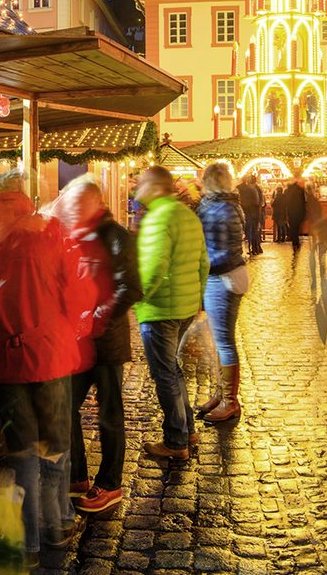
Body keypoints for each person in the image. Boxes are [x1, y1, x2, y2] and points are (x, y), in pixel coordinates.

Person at [0, 171, 81, 565]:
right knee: (55, 447)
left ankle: (29, 544)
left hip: (6, 360)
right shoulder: (51, 230)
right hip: (51, 353)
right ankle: (57, 526)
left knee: (23, 453)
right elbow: (76, 289)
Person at [56, 176, 142, 514]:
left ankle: (110, 484)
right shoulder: (78, 235)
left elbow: (131, 288)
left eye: (79, 204)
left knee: (109, 415)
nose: (73, 210)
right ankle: (76, 474)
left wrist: (95, 319)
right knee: (66, 407)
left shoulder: (117, 237)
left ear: (95, 202)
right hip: (76, 342)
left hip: (106, 343)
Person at [134, 165, 209, 461]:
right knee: (172, 370)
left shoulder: (158, 219)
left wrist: (136, 299)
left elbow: (153, 269)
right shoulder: (186, 215)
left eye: (141, 183)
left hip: (161, 308)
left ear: (154, 188)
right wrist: (198, 297)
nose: (137, 188)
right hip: (186, 305)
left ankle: (177, 442)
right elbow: (204, 261)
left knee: (165, 374)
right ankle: (188, 430)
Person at [196, 163, 247, 424]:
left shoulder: (218, 208)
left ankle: (230, 401)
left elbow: (220, 251)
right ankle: (220, 393)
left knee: (225, 341)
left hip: (222, 277)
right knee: (220, 339)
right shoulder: (227, 203)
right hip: (226, 275)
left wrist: (201, 270)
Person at [238, 173, 263, 256]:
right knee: (253, 231)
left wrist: (243, 203)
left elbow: (258, 202)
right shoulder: (255, 189)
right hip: (254, 212)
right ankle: (255, 248)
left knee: (252, 231)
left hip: (251, 212)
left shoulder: (251, 189)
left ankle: (254, 248)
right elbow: (260, 202)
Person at [280, 177, 307, 253]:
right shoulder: (299, 190)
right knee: (296, 227)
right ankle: (296, 242)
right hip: (298, 212)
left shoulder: (289, 190)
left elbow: (285, 201)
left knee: (293, 227)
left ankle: (295, 242)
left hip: (291, 211)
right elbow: (303, 201)